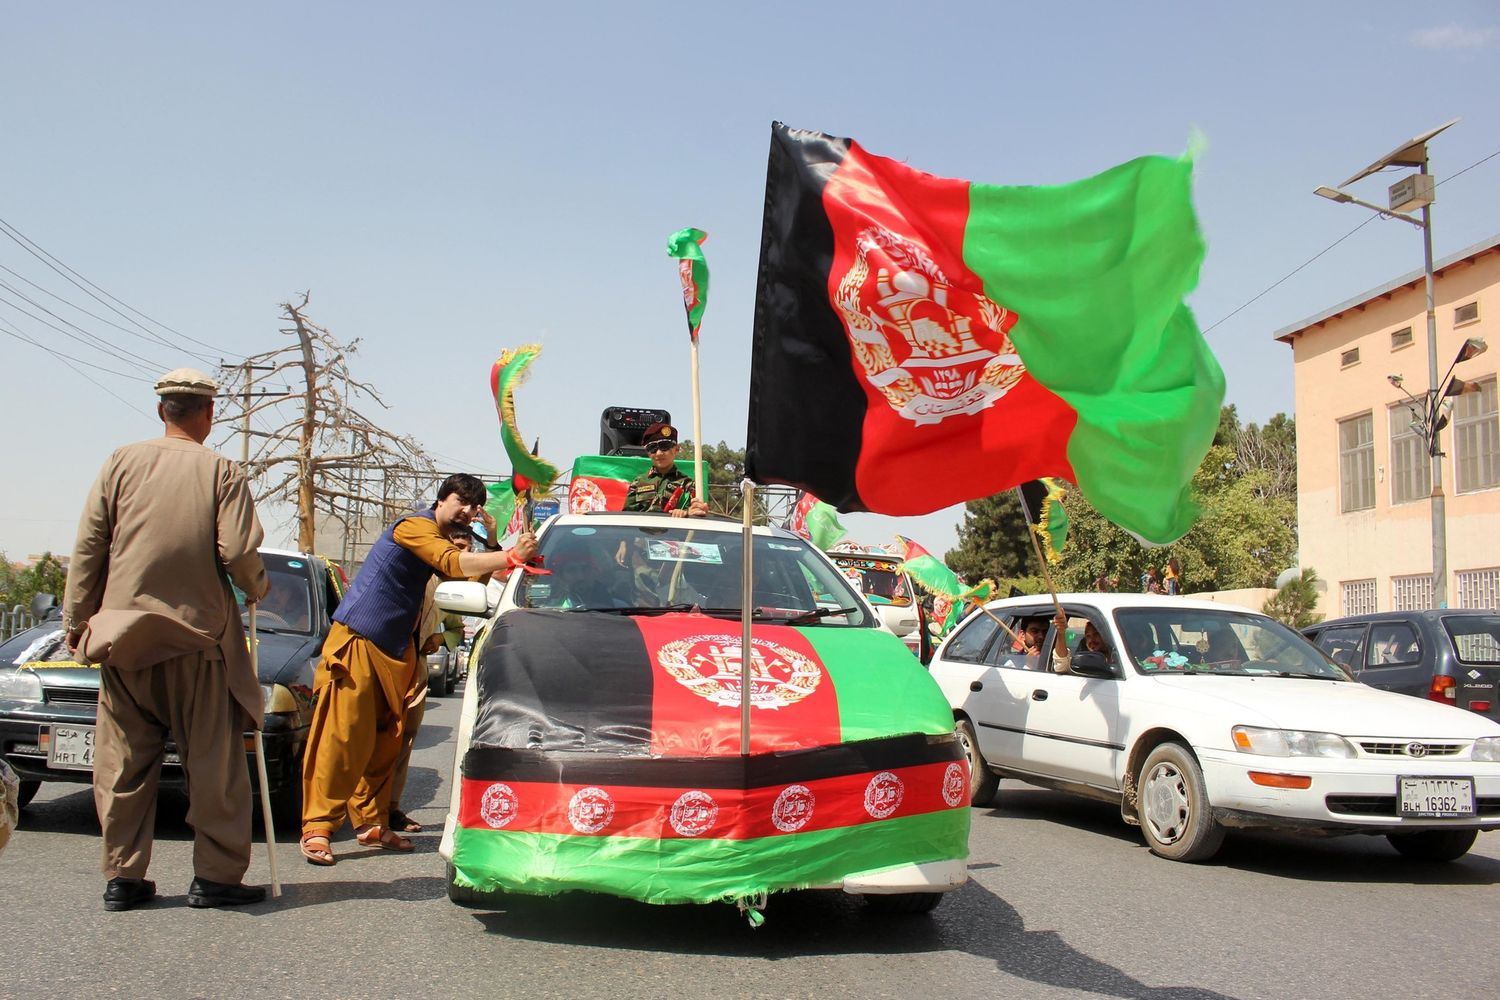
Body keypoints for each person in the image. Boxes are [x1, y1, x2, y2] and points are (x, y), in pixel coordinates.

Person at [63, 367, 270, 911]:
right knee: (213, 768)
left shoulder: (119, 462)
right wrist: (256, 587)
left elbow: (89, 547)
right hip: (199, 643)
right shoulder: (222, 470)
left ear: (162, 411)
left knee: (123, 766)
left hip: (124, 641)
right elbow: (238, 553)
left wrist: (77, 621)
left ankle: (122, 879)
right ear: (208, 413)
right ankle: (216, 879)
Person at [299, 474, 537, 867]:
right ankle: (318, 828)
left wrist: (497, 547)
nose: (468, 511)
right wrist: (510, 556)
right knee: (342, 737)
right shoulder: (414, 527)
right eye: (462, 501)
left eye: (475, 506)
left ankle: (372, 824)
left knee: (386, 740)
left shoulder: (443, 538)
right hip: (360, 641)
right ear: (442, 498)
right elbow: (451, 562)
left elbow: (466, 576)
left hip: (398, 651)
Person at [388, 525, 474, 835]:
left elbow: (456, 629)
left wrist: (439, 637)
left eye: (466, 548)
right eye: (456, 547)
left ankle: (390, 810)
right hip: (386, 660)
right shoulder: (412, 573)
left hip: (418, 665)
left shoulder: (452, 589)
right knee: (376, 737)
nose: (460, 554)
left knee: (404, 740)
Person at [623, 423, 710, 517]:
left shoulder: (688, 485)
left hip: (674, 530)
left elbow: (696, 514)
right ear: (648, 453)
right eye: (652, 448)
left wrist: (687, 514)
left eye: (664, 446)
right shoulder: (638, 482)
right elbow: (627, 516)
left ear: (676, 449)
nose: (659, 453)